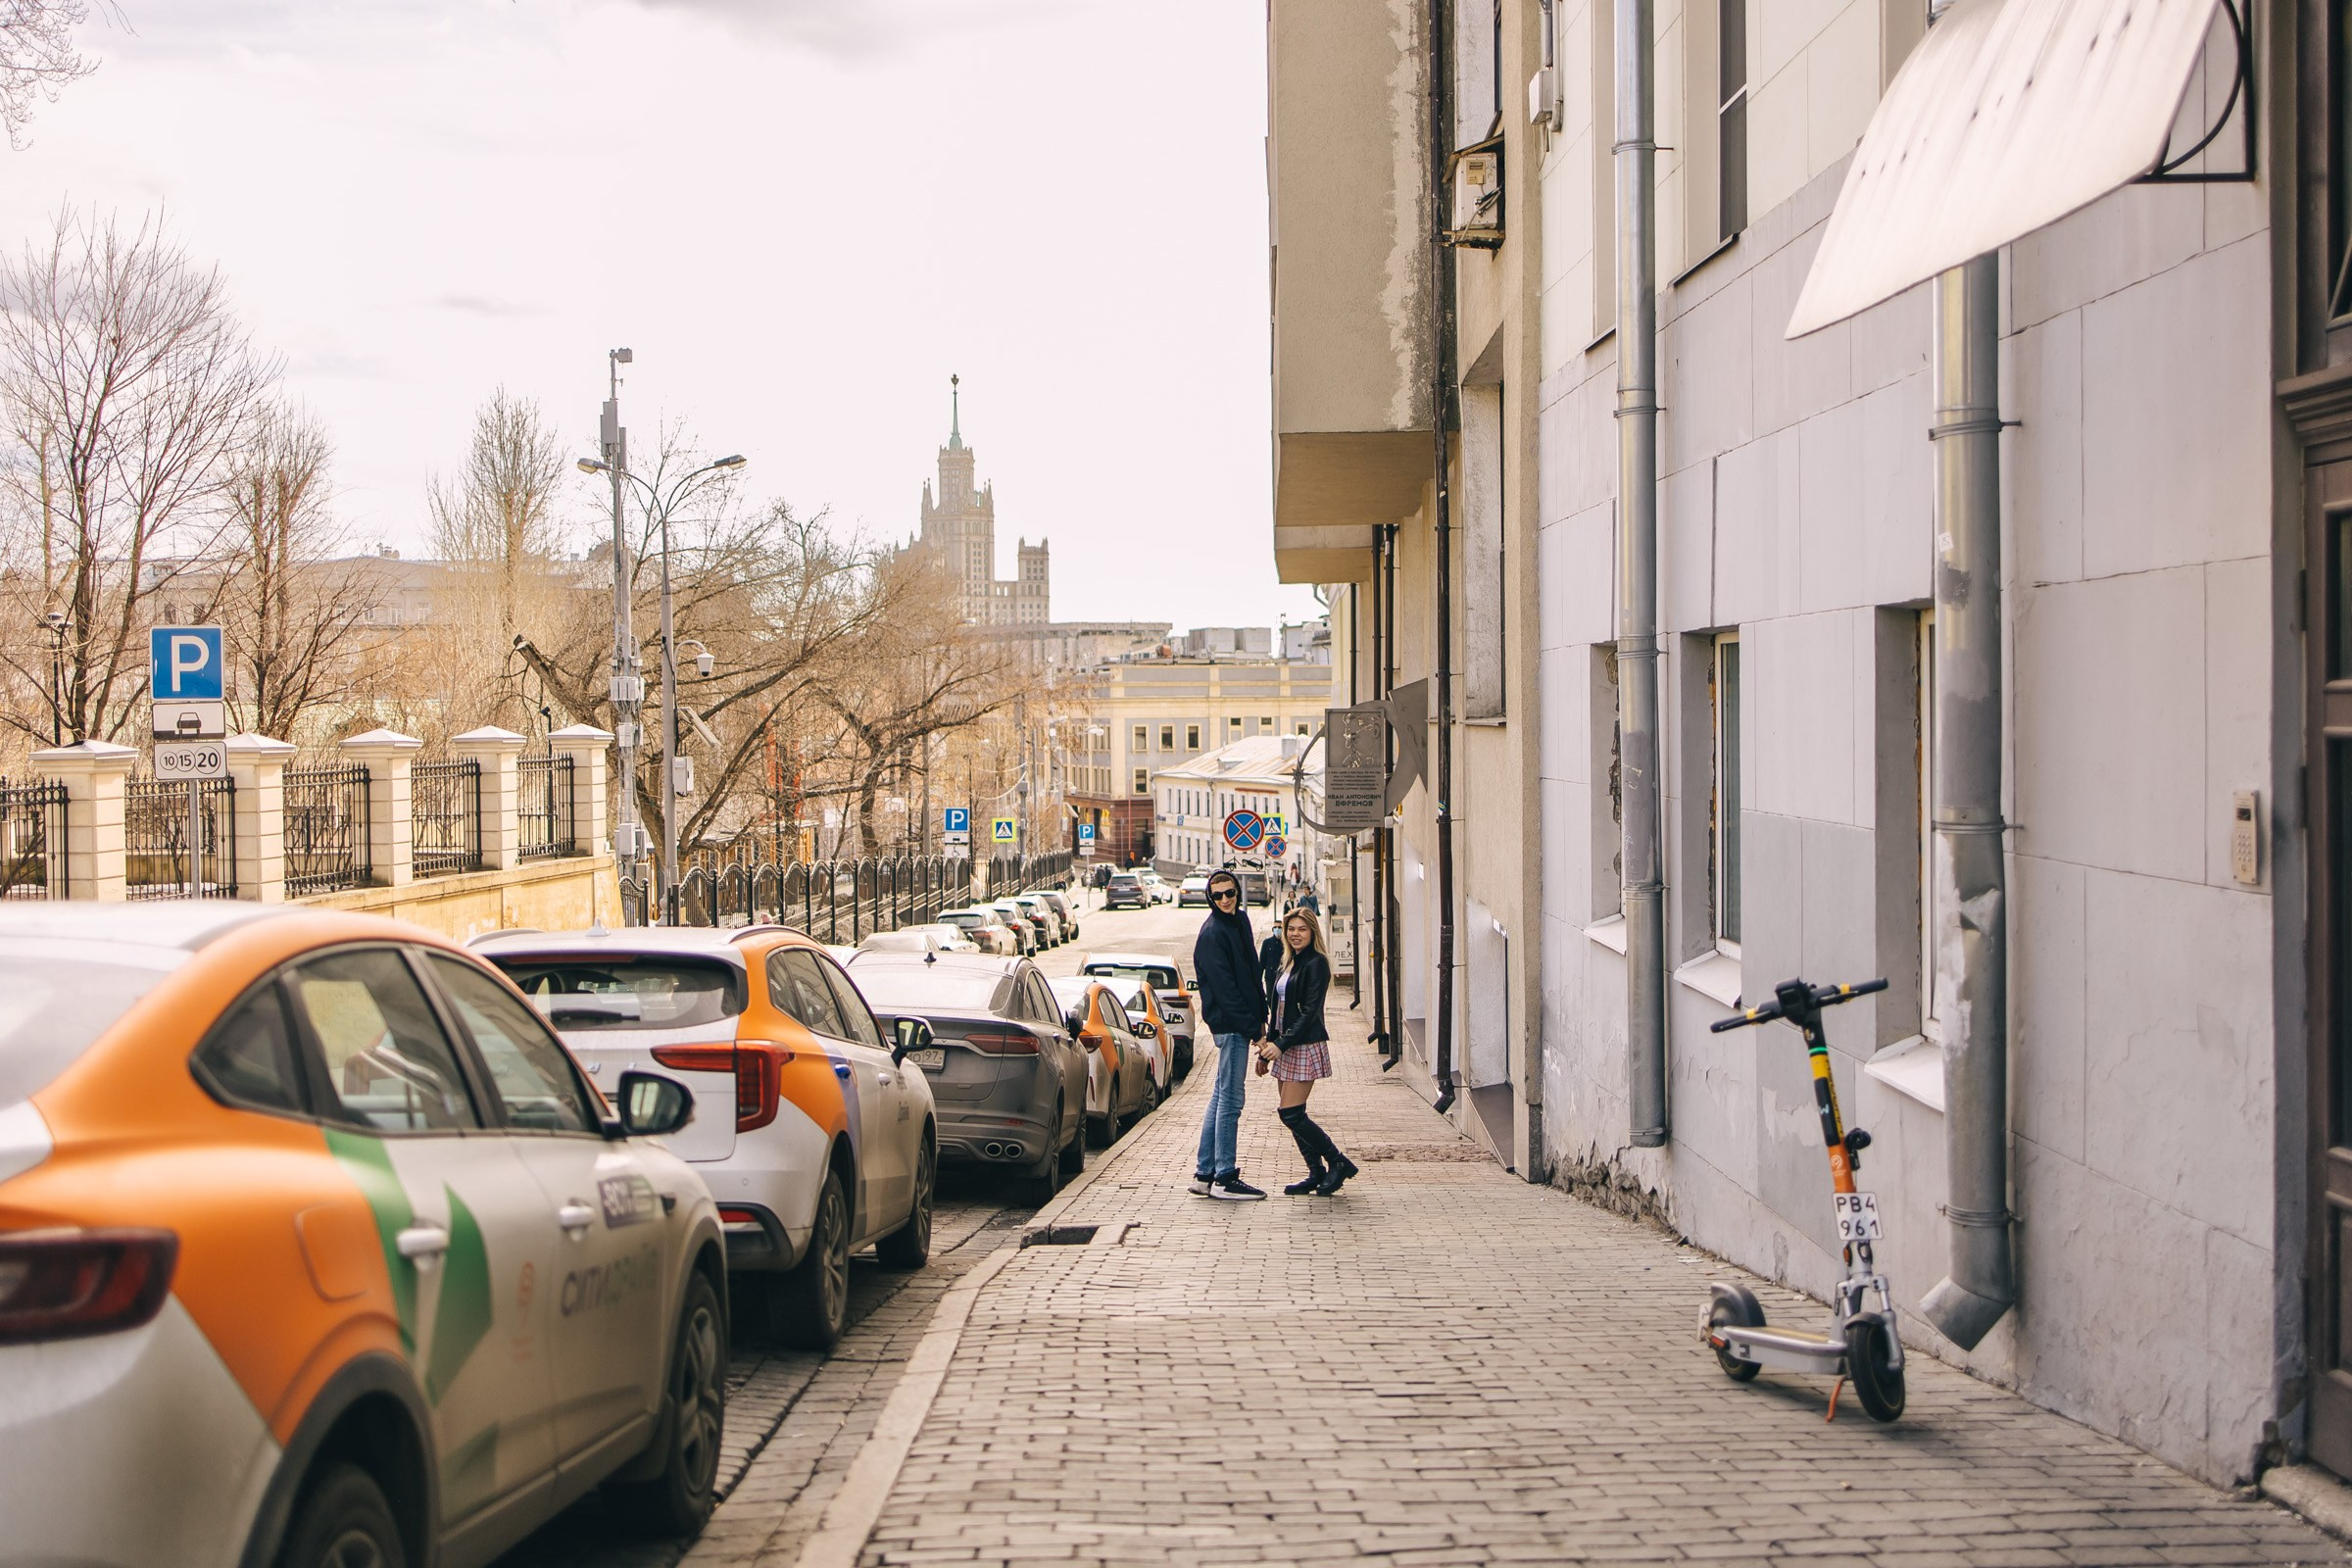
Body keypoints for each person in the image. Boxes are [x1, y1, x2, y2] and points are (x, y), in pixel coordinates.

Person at [1260, 906, 1357, 1196]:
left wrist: (1279, 1044)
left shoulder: (1316, 963)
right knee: (1294, 1113)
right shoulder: (1288, 962)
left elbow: (1310, 1013)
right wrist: (1268, 1046)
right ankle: (1315, 1172)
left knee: (1290, 1114)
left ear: (1312, 931)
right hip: (1284, 1046)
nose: (1295, 934)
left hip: (1303, 1044)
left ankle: (1337, 1162)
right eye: (1291, 929)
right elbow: (1278, 1009)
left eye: (1302, 929)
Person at [1190, 868, 1268, 1200]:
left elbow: (1252, 973)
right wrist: (1254, 1031)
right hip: (1231, 1026)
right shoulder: (1212, 934)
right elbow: (1226, 991)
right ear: (1210, 898)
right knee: (1231, 1101)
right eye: (1218, 895)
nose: (1225, 899)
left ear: (1237, 892)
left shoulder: (1240, 921)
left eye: (1229, 893)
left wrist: (1261, 1017)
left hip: (1242, 1023)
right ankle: (1225, 1177)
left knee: (1221, 1097)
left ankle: (1204, 1175)